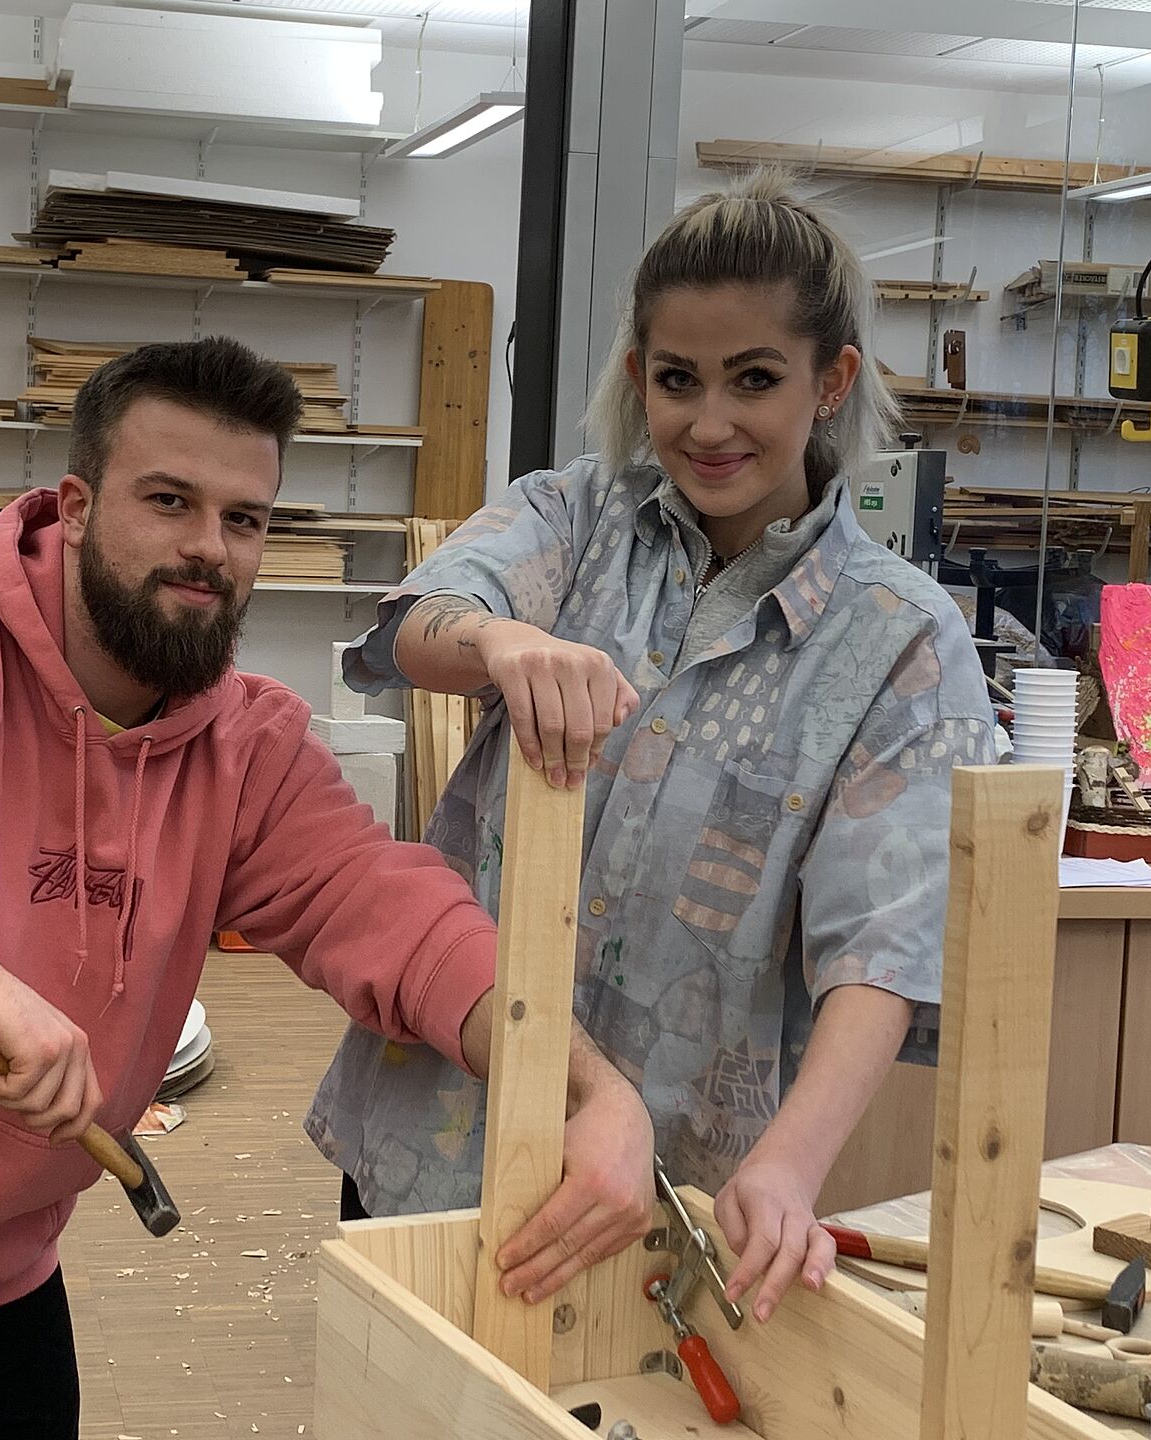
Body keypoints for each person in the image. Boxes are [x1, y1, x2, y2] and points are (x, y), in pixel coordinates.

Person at [0, 337, 651, 1438]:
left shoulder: (248, 748)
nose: (209, 550)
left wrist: (593, 1090)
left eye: (243, 520)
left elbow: (399, 919)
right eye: (169, 501)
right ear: (74, 503)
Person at [306, 172, 998, 1321]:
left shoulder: (902, 642)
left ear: (832, 382)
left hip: (658, 1178)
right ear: (638, 375)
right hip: (440, 1121)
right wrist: (502, 641)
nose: (709, 423)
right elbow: (414, 626)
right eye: (677, 380)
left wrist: (791, 1160)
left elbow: (883, 945)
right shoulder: (571, 523)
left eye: (755, 380)